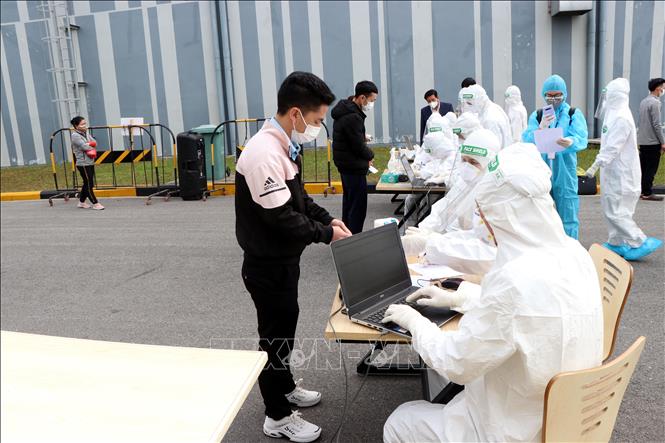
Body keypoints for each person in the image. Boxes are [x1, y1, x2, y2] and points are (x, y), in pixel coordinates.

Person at [382, 143, 603, 443]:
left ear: (504, 216)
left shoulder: (514, 281)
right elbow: (529, 316)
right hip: (566, 420)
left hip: (510, 430)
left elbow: (457, 362)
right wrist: (459, 298)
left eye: (487, 217)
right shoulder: (576, 254)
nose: (486, 226)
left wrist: (415, 322)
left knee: (399, 421)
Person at [235, 71, 352, 443]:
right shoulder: (263, 154)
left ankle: (284, 387)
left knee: (285, 329)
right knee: (273, 339)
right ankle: (277, 416)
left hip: (283, 261)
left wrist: (327, 219)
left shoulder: (282, 145)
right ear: (296, 113)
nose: (317, 127)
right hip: (267, 264)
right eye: (317, 120)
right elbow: (282, 218)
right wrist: (325, 234)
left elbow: (298, 199)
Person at [402, 129, 501, 275]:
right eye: (464, 160)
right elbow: (443, 209)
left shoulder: (493, 194)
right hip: (449, 255)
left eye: (474, 162)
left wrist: (434, 244)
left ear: (489, 163)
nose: (467, 166)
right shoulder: (465, 182)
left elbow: (482, 245)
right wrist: (425, 230)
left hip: (470, 266)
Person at [585, 78, 663, 261]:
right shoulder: (613, 114)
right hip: (612, 171)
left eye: (608, 96)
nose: (605, 100)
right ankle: (616, 242)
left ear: (616, 96)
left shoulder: (621, 117)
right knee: (610, 208)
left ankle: (639, 241)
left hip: (622, 174)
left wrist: (595, 165)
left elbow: (612, 147)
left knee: (617, 212)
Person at [522, 74, 588, 239]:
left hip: (565, 171)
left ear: (564, 93)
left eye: (557, 95)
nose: (553, 99)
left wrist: (571, 142)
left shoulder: (573, 114)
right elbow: (527, 139)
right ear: (543, 94)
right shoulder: (538, 115)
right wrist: (541, 129)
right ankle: (548, 248)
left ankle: (570, 248)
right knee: (542, 215)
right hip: (542, 171)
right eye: (549, 95)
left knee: (568, 213)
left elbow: (581, 137)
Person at [332, 80, 378, 234]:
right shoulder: (353, 117)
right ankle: (354, 238)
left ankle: (346, 235)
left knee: (349, 204)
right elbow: (358, 146)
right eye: (372, 100)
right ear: (362, 97)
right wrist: (370, 156)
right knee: (357, 208)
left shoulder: (345, 110)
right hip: (353, 166)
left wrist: (361, 137)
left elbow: (350, 138)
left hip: (345, 165)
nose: (372, 104)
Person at [637, 77, 665, 201]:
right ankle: (647, 192)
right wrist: (663, 142)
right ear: (658, 88)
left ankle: (642, 191)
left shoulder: (643, 102)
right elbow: (657, 124)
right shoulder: (655, 103)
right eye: (663, 87)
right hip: (653, 141)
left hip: (643, 140)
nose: (663, 89)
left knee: (643, 168)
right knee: (651, 168)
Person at [70, 116, 104, 210]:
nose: (84, 125)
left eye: (85, 123)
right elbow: (84, 147)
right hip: (83, 163)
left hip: (90, 162)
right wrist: (90, 144)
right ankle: (95, 203)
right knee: (89, 183)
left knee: (88, 183)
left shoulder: (86, 133)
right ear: (76, 126)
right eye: (82, 124)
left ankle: (81, 202)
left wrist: (89, 143)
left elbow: (95, 143)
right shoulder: (75, 136)